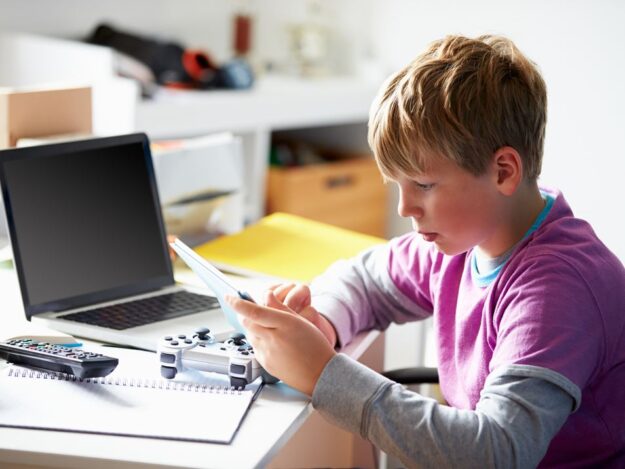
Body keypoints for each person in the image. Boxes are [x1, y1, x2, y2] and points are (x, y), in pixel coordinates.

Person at [227, 35, 625, 467]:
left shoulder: (558, 289)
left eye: (424, 185)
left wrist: (325, 374)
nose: (404, 208)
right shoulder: (467, 237)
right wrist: (322, 321)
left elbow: (498, 452)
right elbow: (368, 278)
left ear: (504, 171)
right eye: (397, 185)